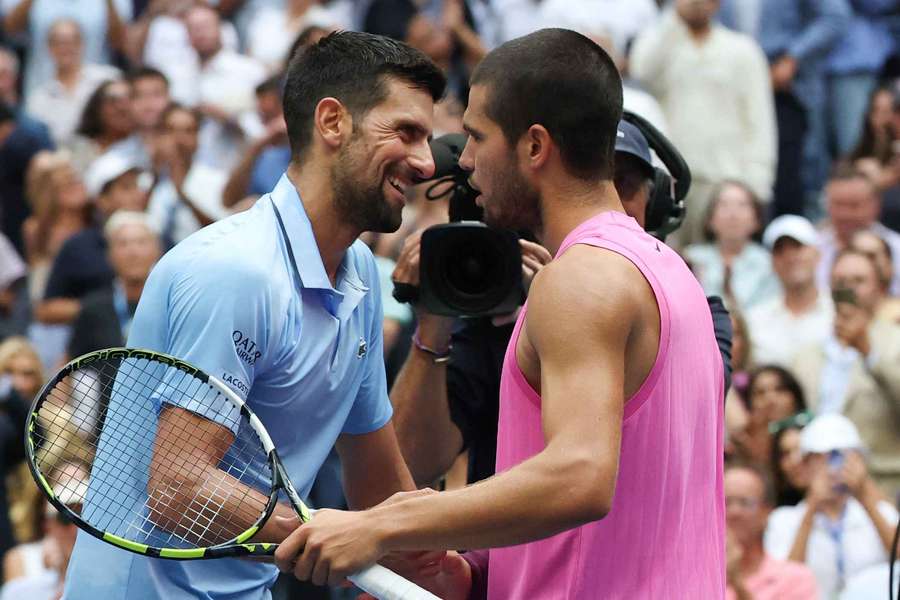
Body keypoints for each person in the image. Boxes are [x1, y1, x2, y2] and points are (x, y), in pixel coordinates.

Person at [274, 28, 725, 598]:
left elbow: (581, 478)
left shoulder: (580, 278)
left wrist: (379, 523)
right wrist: (474, 571)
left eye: (476, 136)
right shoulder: (670, 273)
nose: (462, 161)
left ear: (534, 147)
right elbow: (634, 500)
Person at [63, 30, 446, 600]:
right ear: (333, 122)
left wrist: (453, 568)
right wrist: (329, 533)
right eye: (406, 132)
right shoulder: (236, 271)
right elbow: (177, 487)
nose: (423, 161)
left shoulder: (361, 272)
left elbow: (377, 487)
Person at [392, 117, 732, 487]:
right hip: (519, 545)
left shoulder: (698, 313)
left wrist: (569, 308)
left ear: (658, 202)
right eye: (584, 183)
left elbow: (650, 430)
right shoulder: (495, 317)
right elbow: (413, 464)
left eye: (623, 184)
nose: (604, 203)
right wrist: (435, 321)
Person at [629, 0, 776, 247]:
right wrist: (675, 18)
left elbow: (760, 122)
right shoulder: (661, 42)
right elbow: (641, 71)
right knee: (665, 264)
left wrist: (755, 186)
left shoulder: (743, 50)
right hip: (669, 181)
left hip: (725, 183)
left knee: (719, 270)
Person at [793, 248, 900, 499]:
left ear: (880, 289)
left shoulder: (896, 342)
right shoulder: (806, 354)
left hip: (881, 486)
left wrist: (869, 352)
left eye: (859, 280)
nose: (848, 288)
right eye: (840, 281)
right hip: (815, 491)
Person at [764, 414, 899, 599]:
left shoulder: (883, 512)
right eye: (821, 458)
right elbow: (784, 587)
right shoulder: (784, 520)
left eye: (841, 457)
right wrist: (811, 509)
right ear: (805, 464)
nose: (833, 467)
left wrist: (865, 497)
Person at [67, 211, 162, 358]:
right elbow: (70, 365)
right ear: (109, 254)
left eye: (141, 242)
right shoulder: (93, 308)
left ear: (157, 250)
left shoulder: (171, 305)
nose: (133, 252)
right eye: (123, 244)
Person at [746, 214, 834, 367]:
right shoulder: (754, 320)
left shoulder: (839, 313)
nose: (790, 257)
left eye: (798, 247)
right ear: (772, 262)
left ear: (817, 254)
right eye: (780, 251)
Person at [724, 463, 818, 600]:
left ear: (766, 512)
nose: (734, 512)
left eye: (745, 503)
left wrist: (737, 583)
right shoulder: (696, 576)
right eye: (725, 502)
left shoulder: (795, 578)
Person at [685, 180, 779, 312]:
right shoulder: (691, 259)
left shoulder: (770, 265)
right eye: (724, 205)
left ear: (757, 220)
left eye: (742, 205)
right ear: (709, 219)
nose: (733, 214)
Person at [25, 19, 120, 146]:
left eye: (71, 42)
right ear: (49, 47)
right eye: (58, 42)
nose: (65, 48)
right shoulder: (38, 98)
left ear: (82, 44)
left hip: (108, 151)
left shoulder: (108, 78)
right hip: (61, 159)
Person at [817, 164, 900, 295]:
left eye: (853, 206)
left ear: (875, 205)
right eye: (838, 204)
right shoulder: (810, 246)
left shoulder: (896, 249)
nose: (845, 214)